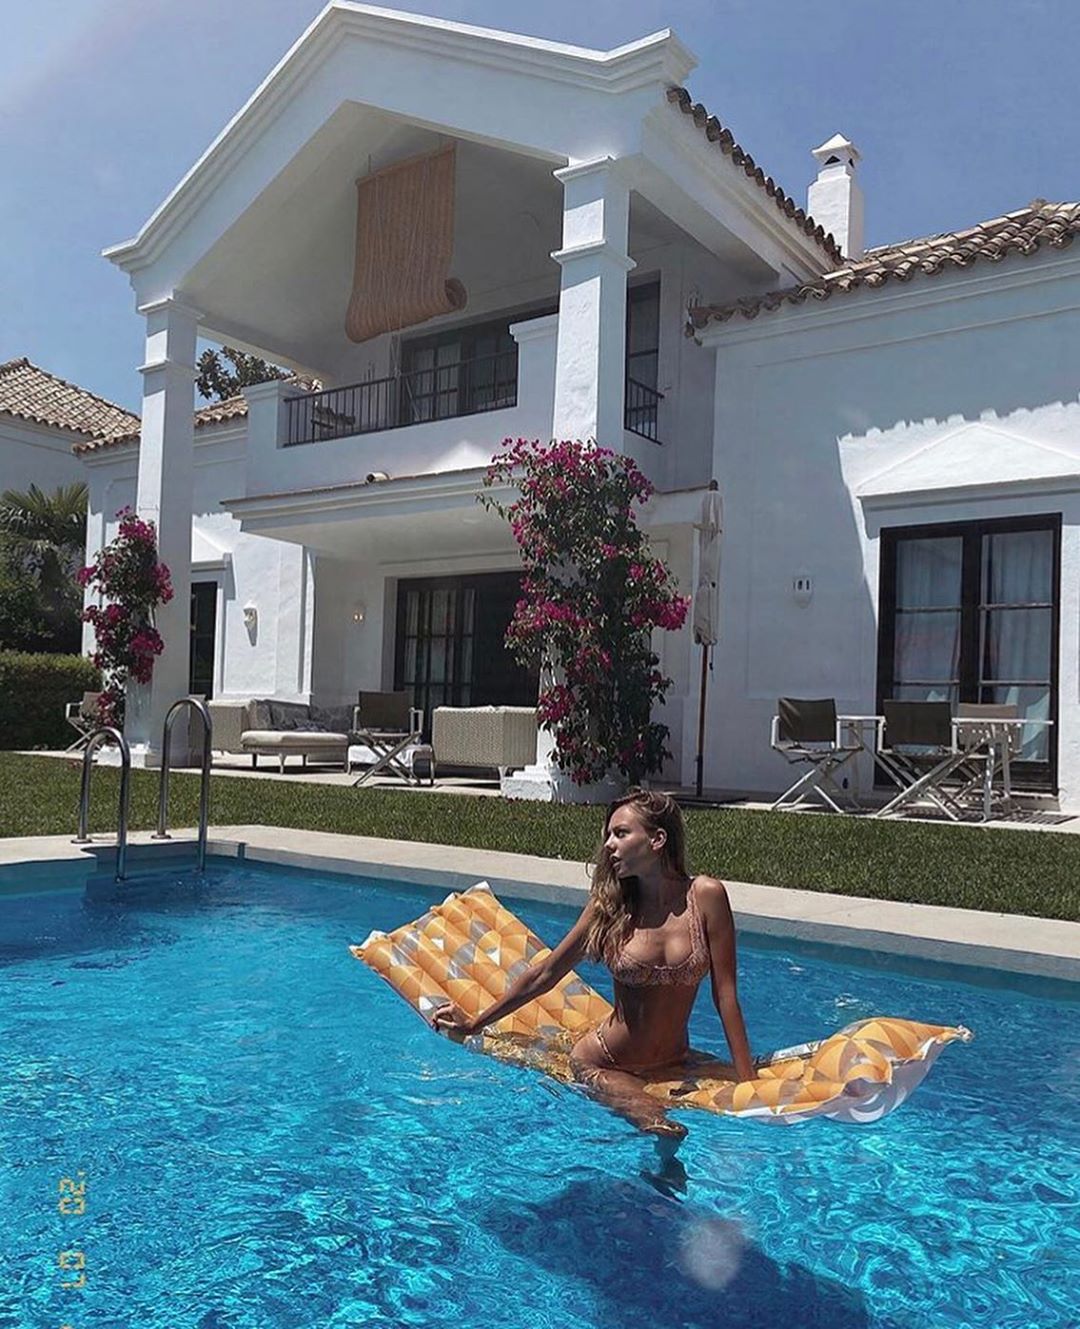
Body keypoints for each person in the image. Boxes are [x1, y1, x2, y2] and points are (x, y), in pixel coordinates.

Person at [431, 788, 755, 1139]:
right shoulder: (610, 908)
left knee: (672, 1128)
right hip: (606, 1063)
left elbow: (726, 996)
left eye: (621, 833)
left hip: (676, 1061)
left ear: (657, 839)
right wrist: (475, 1023)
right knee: (663, 1128)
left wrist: (750, 1086)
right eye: (608, 835)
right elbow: (546, 973)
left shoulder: (706, 896)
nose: (608, 845)